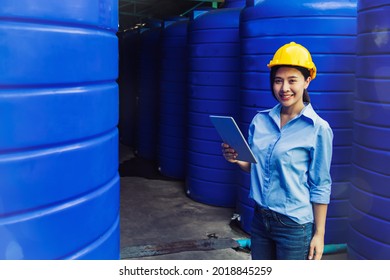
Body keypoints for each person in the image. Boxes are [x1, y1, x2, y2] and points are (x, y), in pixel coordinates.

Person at [222, 42, 333, 260]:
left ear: (307, 81)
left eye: (293, 80)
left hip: (294, 226)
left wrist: (319, 234)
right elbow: (255, 168)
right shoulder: (260, 121)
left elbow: (321, 184)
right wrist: (236, 159)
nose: (284, 88)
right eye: (278, 81)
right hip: (260, 219)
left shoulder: (318, 129)